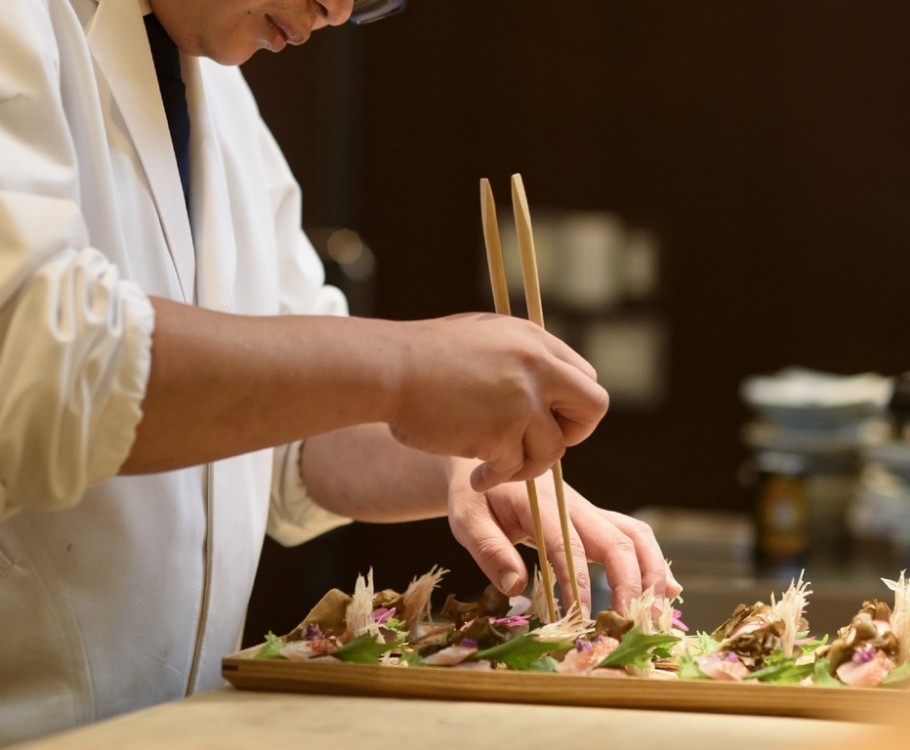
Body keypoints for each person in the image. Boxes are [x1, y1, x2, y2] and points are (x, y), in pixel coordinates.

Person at [0, 0, 681, 743]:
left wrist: (462, 466)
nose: (337, 9)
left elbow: (289, 432)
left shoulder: (222, 95)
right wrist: (404, 368)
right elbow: (44, 360)